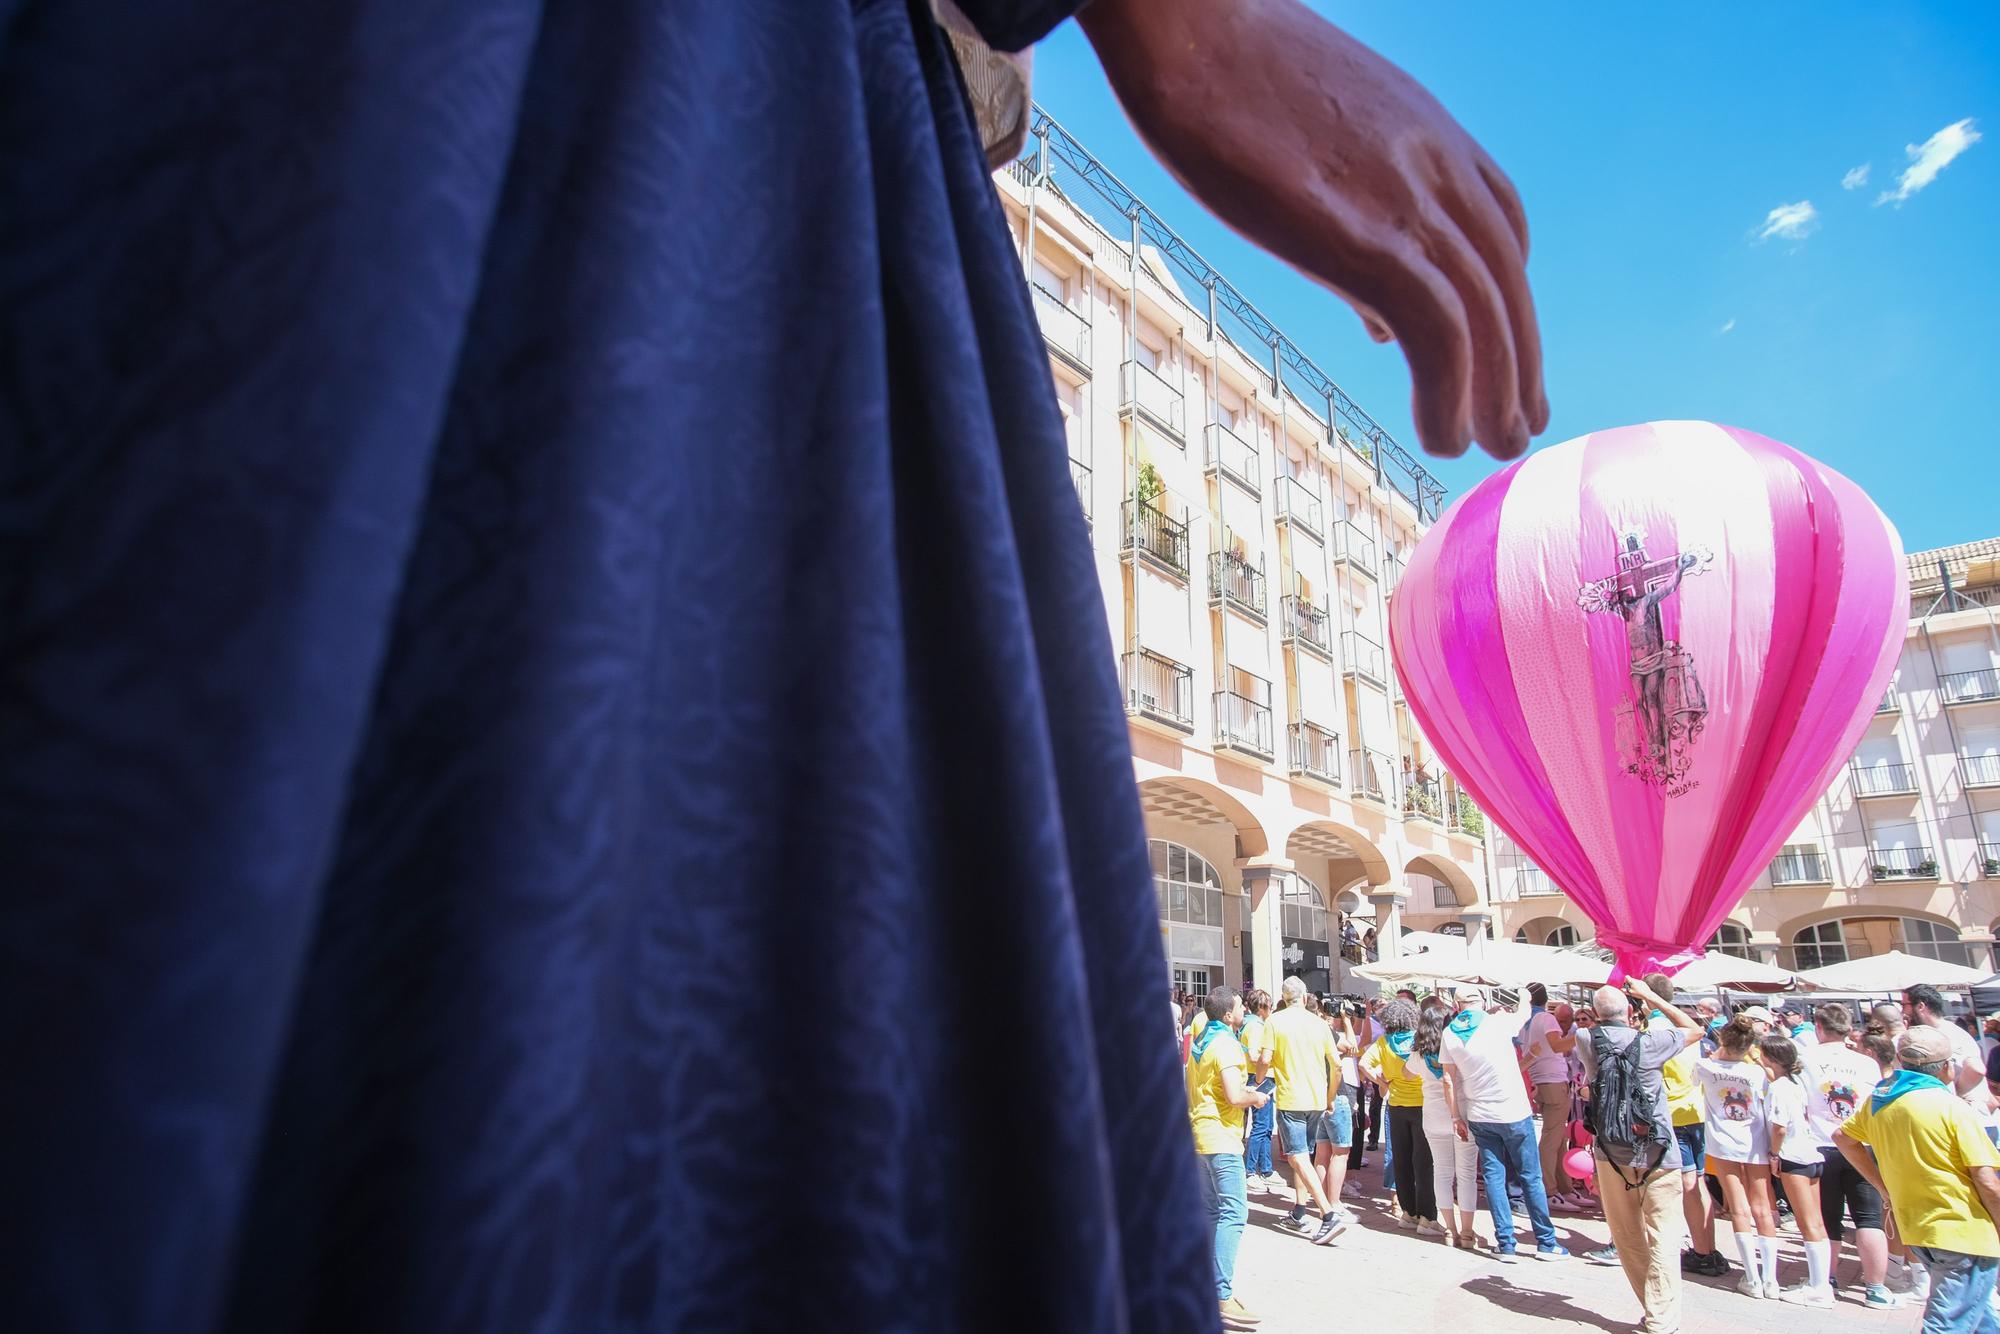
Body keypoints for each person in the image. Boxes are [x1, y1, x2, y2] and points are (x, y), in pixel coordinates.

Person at [1837, 1028, 2000, 1334]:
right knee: (1947, 1324)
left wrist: (1881, 1186)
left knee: (1981, 1317)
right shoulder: (1951, 1108)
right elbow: (1987, 1181)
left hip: (1919, 1226)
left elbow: (1842, 1138)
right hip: (1962, 1230)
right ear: (1945, 1067)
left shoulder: (1879, 1101)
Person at [1575, 977, 1701, 1334]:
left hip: (1610, 1153)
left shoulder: (1587, 1039)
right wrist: (1650, 997)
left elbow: (1585, 1027)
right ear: (1630, 1011)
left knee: (1627, 1234)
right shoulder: (1653, 1042)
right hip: (1658, 1150)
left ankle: (1654, 1309)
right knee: (1664, 1234)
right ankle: (1662, 1317)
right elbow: (1694, 1029)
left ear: (1596, 1015)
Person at [1442, 985, 1570, 1263]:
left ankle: (1506, 1243)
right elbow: (1524, 1011)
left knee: (1494, 1178)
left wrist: (1455, 1116)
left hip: (1478, 1112)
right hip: (1513, 1110)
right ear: (1482, 1001)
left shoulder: (1450, 1032)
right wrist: (1523, 993)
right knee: (1530, 1177)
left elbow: (1449, 1079)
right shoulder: (1497, 1023)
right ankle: (1546, 1243)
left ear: (1457, 1005)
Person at [1186, 987, 1271, 1331]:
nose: (1243, 1009)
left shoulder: (1201, 1041)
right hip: (1222, 1138)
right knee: (1235, 1212)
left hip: (1199, 1135)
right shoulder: (1227, 1046)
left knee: (1211, 1211)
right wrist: (1256, 1098)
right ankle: (1221, 1293)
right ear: (1228, 1015)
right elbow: (1235, 1095)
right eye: (1239, 1006)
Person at [1807, 1002, 1901, 1309]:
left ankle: (1827, 1280)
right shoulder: (1866, 1063)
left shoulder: (1806, 1057)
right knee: (1869, 1218)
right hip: (1861, 1144)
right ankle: (1876, 1288)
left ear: (1819, 1027)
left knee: (1828, 1219)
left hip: (1820, 1144)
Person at [1696, 1014, 1779, 1298]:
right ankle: (1770, 1278)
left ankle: (1752, 1278)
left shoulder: (1705, 1066)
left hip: (1722, 1141)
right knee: (1762, 1207)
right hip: (1755, 1140)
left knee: (1739, 1208)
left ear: (1723, 1039)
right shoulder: (1757, 1072)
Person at [1267, 977, 1350, 1245]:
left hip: (1291, 1098)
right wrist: (1329, 1098)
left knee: (1299, 1156)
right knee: (1301, 1156)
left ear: (1284, 997)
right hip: (1316, 1099)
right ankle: (1299, 1209)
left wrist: (1258, 1079)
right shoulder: (1320, 1024)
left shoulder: (1275, 1022)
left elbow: (1265, 1058)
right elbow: (1337, 1065)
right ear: (1303, 998)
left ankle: (1328, 1214)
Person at [1760, 1033, 1835, 1305]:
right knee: (1815, 1221)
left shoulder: (1780, 1086)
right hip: (1811, 1154)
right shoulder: (1796, 1083)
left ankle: (1819, 1287)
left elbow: (1779, 1127)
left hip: (1793, 1156)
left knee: (1808, 1223)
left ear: (1770, 1059)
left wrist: (1773, 1154)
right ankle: (1819, 1280)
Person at [1364, 999, 1439, 1235]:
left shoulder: (1384, 1042)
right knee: (1424, 1163)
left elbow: (1364, 1064)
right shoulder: (1418, 1039)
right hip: (1422, 1105)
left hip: (1395, 1105)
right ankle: (1428, 1217)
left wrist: (1381, 1082)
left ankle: (1409, 1213)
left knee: (1402, 1161)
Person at [1414, 999, 1482, 1249]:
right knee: (1466, 1175)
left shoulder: (1418, 1052)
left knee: (1441, 1172)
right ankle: (1466, 1231)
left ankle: (1449, 1230)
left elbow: (1408, 1072)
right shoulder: (1457, 1047)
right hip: (1461, 1114)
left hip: (1432, 1117)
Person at [1522, 982, 1587, 1211]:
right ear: (1546, 999)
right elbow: (1558, 1046)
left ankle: (1564, 1188)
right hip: (1553, 1080)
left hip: (1540, 1080)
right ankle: (1549, 1191)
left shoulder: (1525, 1022)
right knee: (1552, 1139)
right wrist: (1583, 1036)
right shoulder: (1545, 1019)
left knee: (1557, 1138)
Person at [1908, 986, 1988, 1099]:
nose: (1903, 1012)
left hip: (1967, 1108)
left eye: (1905, 1005)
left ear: (1920, 1006)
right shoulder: (1939, 1032)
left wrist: (1955, 1093)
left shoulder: (1950, 1034)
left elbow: (1977, 1069)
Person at [1240, 989, 1277, 1191]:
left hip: (1260, 1077)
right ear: (1262, 1007)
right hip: (1258, 1077)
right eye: (1269, 1006)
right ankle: (1251, 1170)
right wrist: (1270, 1057)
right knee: (1261, 1126)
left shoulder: (1252, 1024)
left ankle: (1266, 1168)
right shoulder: (1255, 1027)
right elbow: (1255, 1055)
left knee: (1266, 1125)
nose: (1271, 1009)